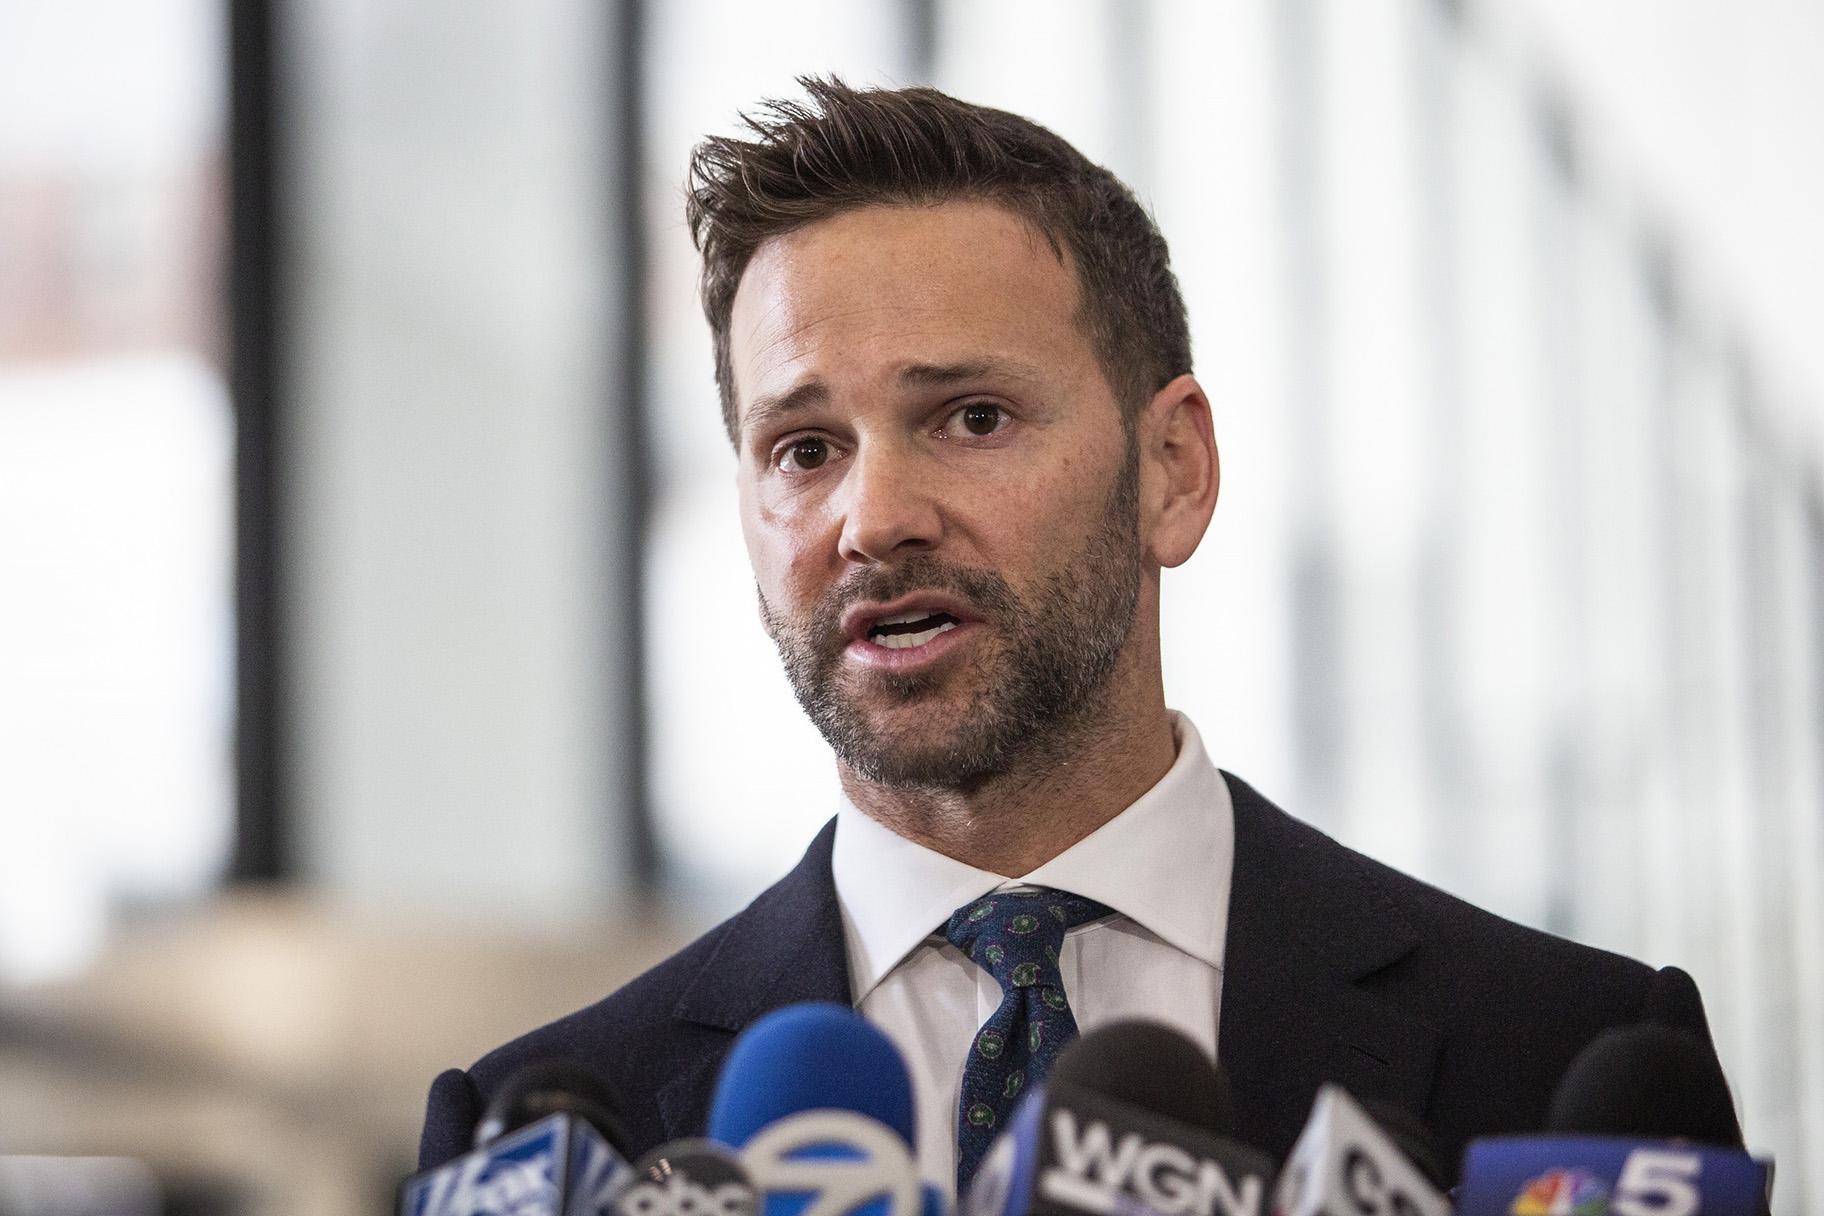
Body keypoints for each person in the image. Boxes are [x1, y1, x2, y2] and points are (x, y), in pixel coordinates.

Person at [416, 78, 1737, 1190]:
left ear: (1173, 470)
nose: (874, 520)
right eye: (805, 448)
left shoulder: (1563, 1060)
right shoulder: (546, 1147)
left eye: (972, 417)